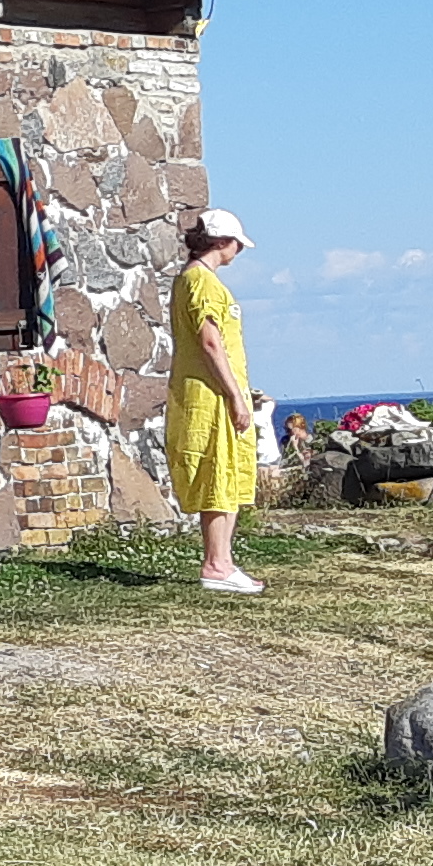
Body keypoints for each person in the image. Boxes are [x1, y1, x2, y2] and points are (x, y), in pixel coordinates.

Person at [169, 208, 272, 595]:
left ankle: (223, 561)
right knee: (218, 472)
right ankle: (216, 563)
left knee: (226, 473)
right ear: (222, 242)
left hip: (215, 390)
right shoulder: (202, 282)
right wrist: (234, 395)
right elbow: (210, 342)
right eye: (236, 244)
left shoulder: (194, 279)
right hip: (211, 394)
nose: (238, 252)